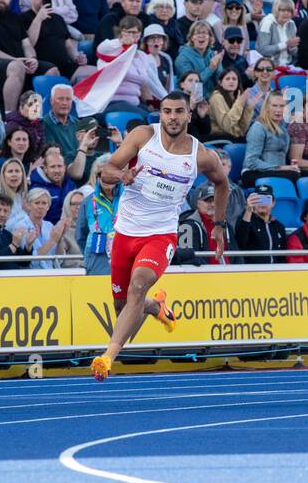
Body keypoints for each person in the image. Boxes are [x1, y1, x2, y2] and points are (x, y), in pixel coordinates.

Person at [89, 91, 230, 381]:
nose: (173, 117)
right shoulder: (143, 137)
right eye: (167, 111)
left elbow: (222, 184)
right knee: (123, 306)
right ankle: (156, 306)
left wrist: (219, 224)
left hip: (161, 234)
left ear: (189, 115)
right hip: (126, 232)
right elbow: (107, 172)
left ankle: (107, 358)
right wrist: (122, 176)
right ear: (160, 114)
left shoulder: (201, 156)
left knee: (138, 285)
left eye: (179, 111)